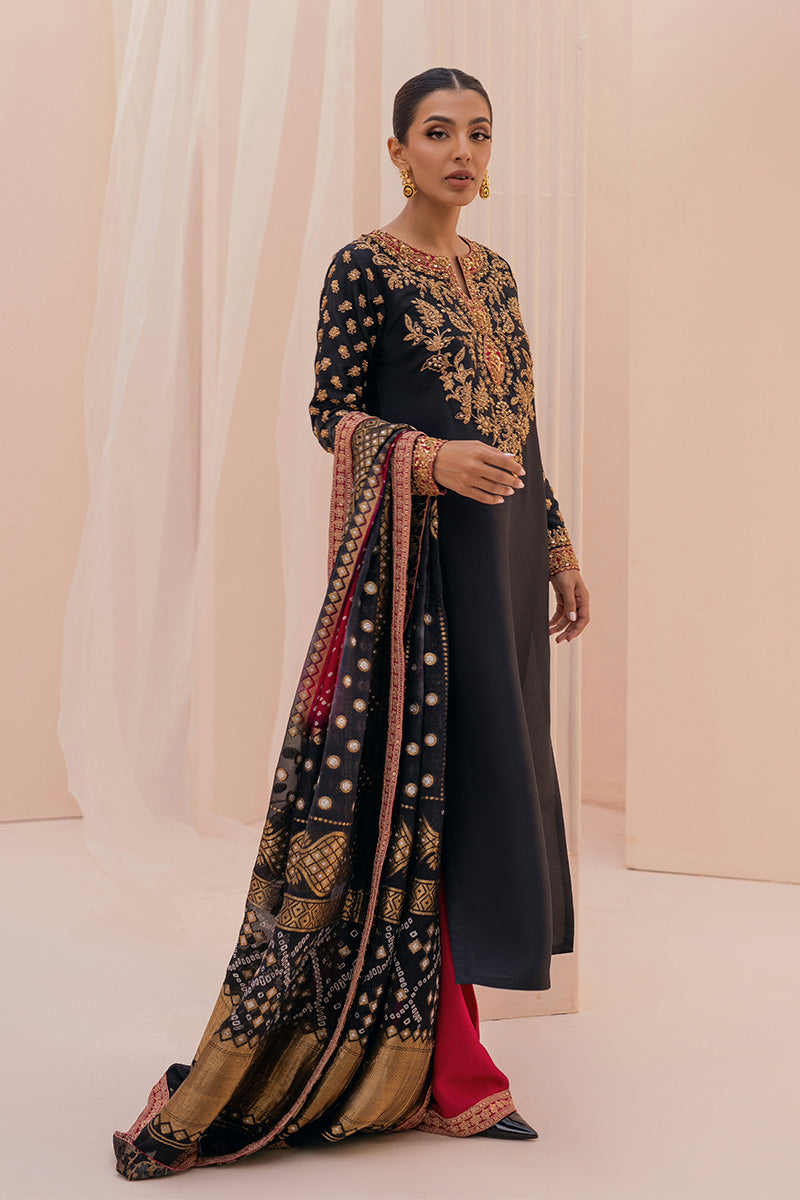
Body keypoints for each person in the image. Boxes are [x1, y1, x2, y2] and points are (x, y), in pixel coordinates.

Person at [112, 66, 590, 1182]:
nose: (461, 152)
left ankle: (447, 1055)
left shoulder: (495, 273)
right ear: (397, 150)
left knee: (487, 784)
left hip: (502, 568)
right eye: (437, 132)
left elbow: (522, 423)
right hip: (418, 578)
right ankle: (446, 1067)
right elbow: (332, 416)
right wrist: (429, 460)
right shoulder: (363, 266)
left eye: (478, 133)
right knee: (423, 794)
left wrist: (558, 545)